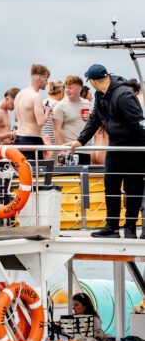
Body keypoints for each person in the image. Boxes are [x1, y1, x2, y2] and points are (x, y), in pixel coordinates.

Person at [68, 64, 145, 239]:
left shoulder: (123, 94)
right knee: (111, 186)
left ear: (93, 81)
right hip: (115, 146)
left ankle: (130, 228)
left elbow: (139, 122)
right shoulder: (100, 94)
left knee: (133, 188)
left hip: (133, 148)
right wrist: (80, 140)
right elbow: (94, 119)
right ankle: (112, 227)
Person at [14, 64, 52, 161]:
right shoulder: (36, 96)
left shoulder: (19, 94)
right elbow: (41, 122)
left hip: (18, 139)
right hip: (32, 139)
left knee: (21, 173)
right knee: (35, 173)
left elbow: (16, 118)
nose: (47, 82)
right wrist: (47, 111)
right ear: (40, 77)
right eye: (46, 78)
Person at [53, 76, 93, 165]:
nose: (67, 90)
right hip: (67, 151)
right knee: (65, 178)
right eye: (66, 87)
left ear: (79, 88)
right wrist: (62, 150)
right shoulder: (60, 106)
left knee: (85, 177)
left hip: (85, 151)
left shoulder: (88, 104)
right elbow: (56, 130)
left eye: (70, 87)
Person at [41, 81, 64, 146]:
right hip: (54, 142)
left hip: (42, 141)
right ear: (61, 91)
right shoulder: (59, 105)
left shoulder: (41, 102)